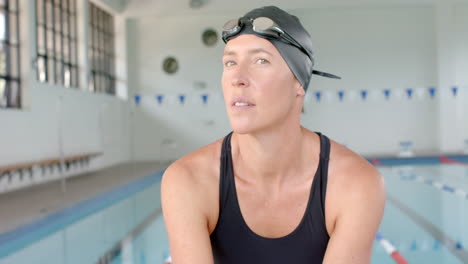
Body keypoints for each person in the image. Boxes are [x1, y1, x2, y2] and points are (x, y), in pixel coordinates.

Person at [161, 5, 385, 264]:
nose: (238, 78)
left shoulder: (354, 184)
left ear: (298, 82)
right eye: (230, 62)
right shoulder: (189, 180)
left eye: (260, 61)